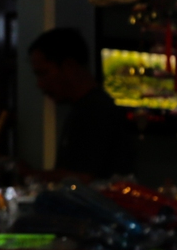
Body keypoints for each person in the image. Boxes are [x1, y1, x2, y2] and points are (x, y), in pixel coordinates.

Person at [29, 27, 137, 179]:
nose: (40, 84)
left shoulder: (96, 111)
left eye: (43, 73)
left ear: (69, 66)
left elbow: (83, 180)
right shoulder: (85, 108)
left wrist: (29, 175)